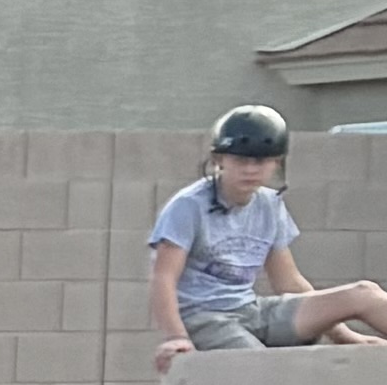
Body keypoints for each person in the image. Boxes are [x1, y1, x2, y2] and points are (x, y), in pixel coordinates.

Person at [148, 108, 387, 361]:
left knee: (364, 293)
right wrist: (176, 337)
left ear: (276, 163)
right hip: (204, 317)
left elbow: (288, 282)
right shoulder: (188, 205)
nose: (251, 170)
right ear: (219, 160)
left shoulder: (269, 204)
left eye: (261, 161)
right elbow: (164, 277)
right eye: (241, 161)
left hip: (251, 310)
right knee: (263, 366)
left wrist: (347, 337)